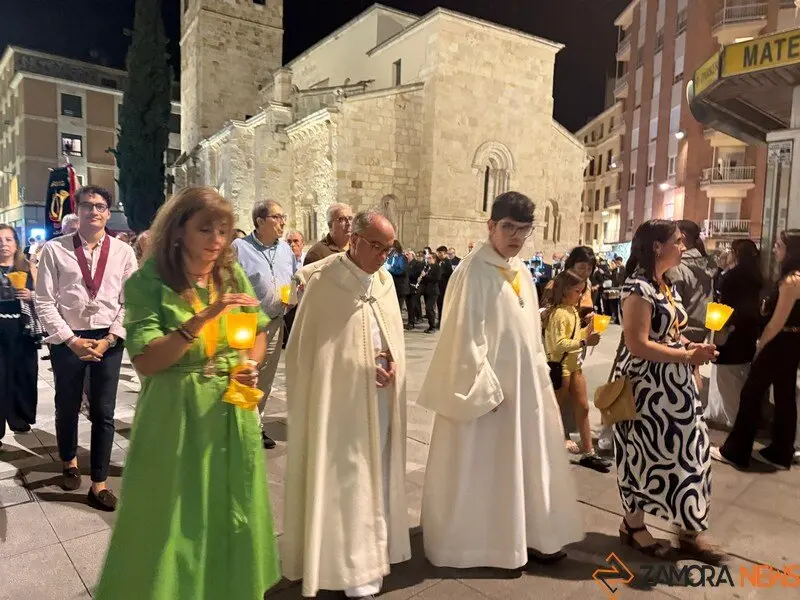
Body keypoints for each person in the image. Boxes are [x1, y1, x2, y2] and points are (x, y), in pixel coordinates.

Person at [94, 186, 280, 600]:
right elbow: (147, 361)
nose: (217, 240)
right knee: (173, 514)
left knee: (229, 507)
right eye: (206, 229)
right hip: (176, 414)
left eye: (224, 230)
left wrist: (250, 362)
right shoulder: (148, 282)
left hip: (231, 408)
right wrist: (200, 320)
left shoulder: (231, 274)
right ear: (178, 230)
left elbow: (258, 331)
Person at [417, 191, 583, 569]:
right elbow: (462, 337)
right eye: (508, 227)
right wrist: (484, 390)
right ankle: (482, 545)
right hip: (490, 396)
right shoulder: (472, 271)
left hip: (525, 391)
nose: (516, 236)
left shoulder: (519, 268)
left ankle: (533, 534)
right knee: (486, 467)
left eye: (524, 229)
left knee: (528, 461)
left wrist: (538, 370)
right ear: (490, 226)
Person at [282, 210, 411, 598]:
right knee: (345, 480)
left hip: (379, 402)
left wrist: (392, 368)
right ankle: (348, 568)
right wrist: (347, 374)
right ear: (353, 239)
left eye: (388, 249)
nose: (383, 257)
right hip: (338, 407)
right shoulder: (324, 283)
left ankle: (371, 559)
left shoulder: (385, 282)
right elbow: (306, 353)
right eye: (376, 246)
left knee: (376, 477)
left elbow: (390, 338)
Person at [613, 219, 721, 562]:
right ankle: (633, 525)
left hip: (674, 389)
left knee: (692, 452)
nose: (683, 246)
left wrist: (691, 347)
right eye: (677, 241)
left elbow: (669, 333)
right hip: (645, 390)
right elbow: (638, 344)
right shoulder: (638, 289)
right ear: (657, 246)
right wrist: (687, 354)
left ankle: (689, 526)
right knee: (642, 456)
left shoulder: (665, 286)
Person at [35, 185, 137, 511]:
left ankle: (99, 482)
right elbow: (44, 300)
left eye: (101, 206)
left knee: (104, 413)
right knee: (67, 405)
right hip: (69, 338)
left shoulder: (124, 253)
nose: (94, 211)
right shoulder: (55, 250)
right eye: (88, 206)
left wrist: (109, 339)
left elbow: (130, 301)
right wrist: (71, 340)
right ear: (77, 211)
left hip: (108, 337)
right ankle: (68, 460)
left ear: (109, 212)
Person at [712, 229, 800, 471]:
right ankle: (781, 452)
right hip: (791, 344)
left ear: (790, 250)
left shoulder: (792, 280)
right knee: (784, 396)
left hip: (780, 342)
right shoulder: (791, 277)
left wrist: (762, 344)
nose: (774, 249)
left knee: (751, 394)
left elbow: (777, 321)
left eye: (779, 245)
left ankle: (737, 451)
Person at [232, 200, 294, 450]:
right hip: (246, 321)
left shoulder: (286, 250)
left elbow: (289, 277)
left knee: (266, 377)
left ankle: (254, 425)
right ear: (260, 221)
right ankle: (242, 428)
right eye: (277, 217)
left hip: (276, 320)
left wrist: (290, 297)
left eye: (283, 217)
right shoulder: (239, 247)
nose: (283, 222)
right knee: (246, 373)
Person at [543, 269, 609, 472]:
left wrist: (587, 329)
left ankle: (588, 452)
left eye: (582, 291)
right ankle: (547, 449)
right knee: (555, 410)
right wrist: (584, 340)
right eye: (577, 291)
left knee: (583, 408)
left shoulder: (570, 311)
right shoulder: (559, 314)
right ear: (564, 292)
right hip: (561, 367)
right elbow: (558, 345)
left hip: (574, 366)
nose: (580, 295)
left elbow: (571, 336)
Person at [705, 239, 762, 429]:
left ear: (737, 253)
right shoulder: (758, 276)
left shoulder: (732, 276)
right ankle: (736, 421)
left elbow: (723, 305)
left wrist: (717, 328)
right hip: (748, 334)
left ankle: (737, 427)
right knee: (739, 380)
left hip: (731, 335)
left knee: (727, 382)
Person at [0, 225, 42, 448]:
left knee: (24, 374)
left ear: (16, 243)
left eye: (8, 239)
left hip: (22, 327)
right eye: (0, 240)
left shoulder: (27, 266)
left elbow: (46, 295)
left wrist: (31, 294)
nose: (3, 244)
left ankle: (20, 418)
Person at [667, 220, 715, 344]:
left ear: (681, 236)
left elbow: (673, 303)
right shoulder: (706, 264)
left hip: (681, 332)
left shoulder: (677, 266)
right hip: (701, 331)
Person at [283, 230, 306, 347]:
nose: (292, 245)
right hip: (288, 308)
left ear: (303, 244)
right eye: (289, 242)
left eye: (296, 241)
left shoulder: (309, 260)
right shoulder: (282, 262)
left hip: (305, 305)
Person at [418, 252, 440, 334]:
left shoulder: (437, 267)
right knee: (428, 309)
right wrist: (421, 278)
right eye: (427, 258)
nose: (428, 260)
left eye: (430, 258)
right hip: (427, 290)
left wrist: (425, 276)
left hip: (434, 291)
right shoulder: (427, 267)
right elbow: (425, 279)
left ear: (434, 258)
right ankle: (430, 326)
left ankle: (433, 327)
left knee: (429, 308)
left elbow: (436, 278)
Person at [435, 246, 453, 329]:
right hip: (438, 286)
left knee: (442, 304)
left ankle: (442, 322)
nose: (439, 254)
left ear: (444, 253)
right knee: (439, 304)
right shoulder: (439, 261)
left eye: (440, 253)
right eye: (438, 253)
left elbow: (449, 274)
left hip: (444, 286)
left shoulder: (447, 262)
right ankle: (440, 320)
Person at [405, 250, 424, 330]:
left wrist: (406, 273)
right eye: (405, 254)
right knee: (409, 306)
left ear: (412, 255)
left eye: (407, 254)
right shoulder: (406, 264)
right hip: (407, 287)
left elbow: (417, 275)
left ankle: (412, 322)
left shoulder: (417, 264)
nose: (406, 256)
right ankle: (410, 321)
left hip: (414, 287)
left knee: (412, 305)